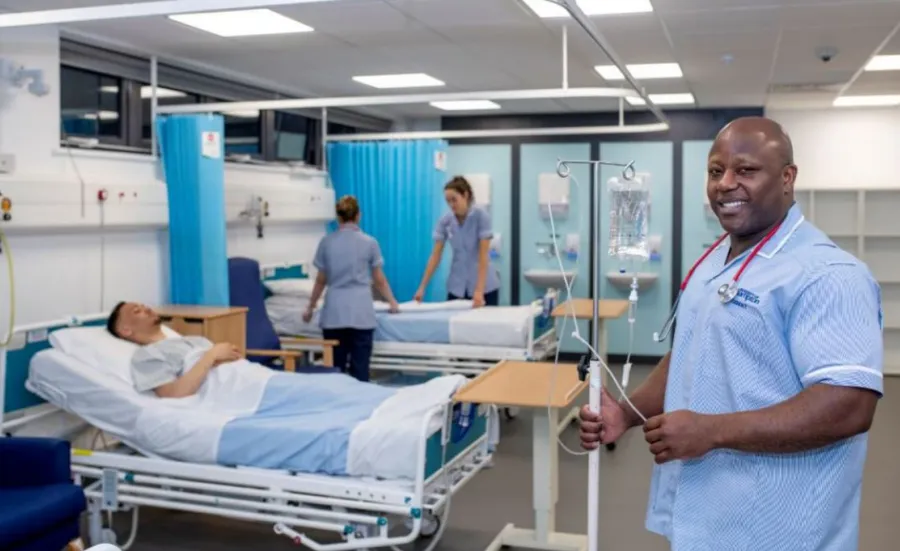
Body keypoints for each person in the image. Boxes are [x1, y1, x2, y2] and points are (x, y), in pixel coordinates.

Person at [579, 116, 883, 550]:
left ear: (787, 178)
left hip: (780, 530)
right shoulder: (717, 258)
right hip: (706, 517)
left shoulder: (829, 274)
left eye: (746, 170)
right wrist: (627, 414)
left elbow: (849, 405)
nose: (725, 183)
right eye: (716, 170)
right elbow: (693, 351)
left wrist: (712, 431)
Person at [303, 195, 399, 382]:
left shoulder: (326, 242)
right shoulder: (370, 243)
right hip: (361, 315)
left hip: (334, 316)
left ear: (338, 217)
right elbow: (379, 280)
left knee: (335, 373)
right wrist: (392, 302)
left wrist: (311, 307)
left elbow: (320, 280)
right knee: (360, 371)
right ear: (358, 215)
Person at [106, 301, 242, 398]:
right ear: (126, 330)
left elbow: (234, 360)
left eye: (144, 306)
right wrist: (211, 355)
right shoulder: (147, 355)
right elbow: (174, 394)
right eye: (137, 311)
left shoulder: (195, 340)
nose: (147, 309)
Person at [414, 176, 500, 308]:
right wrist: (422, 287)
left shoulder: (481, 217)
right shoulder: (445, 221)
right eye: (448, 201)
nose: (451, 205)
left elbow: (483, 256)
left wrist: (479, 291)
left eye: (454, 200)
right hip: (457, 286)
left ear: (465, 195)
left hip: (484, 287)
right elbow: (435, 256)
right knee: (454, 326)